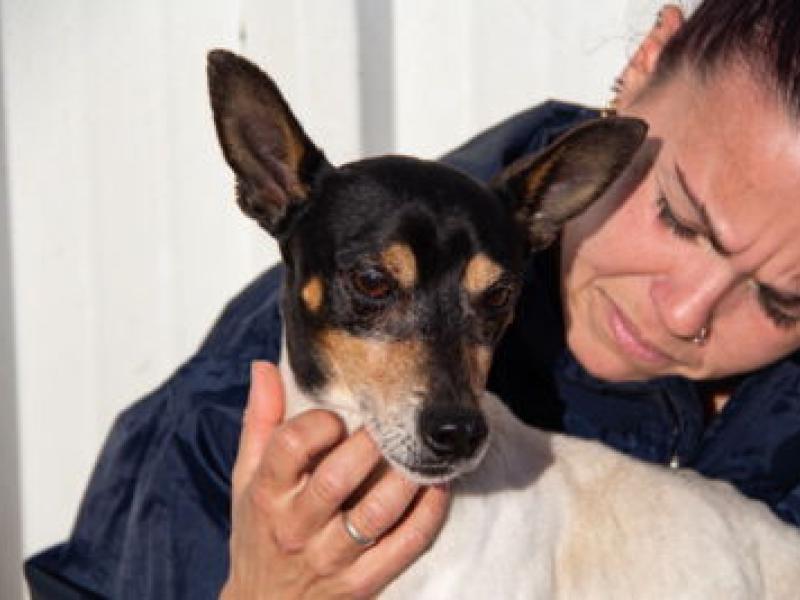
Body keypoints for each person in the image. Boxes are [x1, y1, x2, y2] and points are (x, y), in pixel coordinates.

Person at [24, 1, 800, 598]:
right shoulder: (217, 420)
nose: (685, 313)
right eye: (678, 217)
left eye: (782, 299)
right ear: (647, 59)